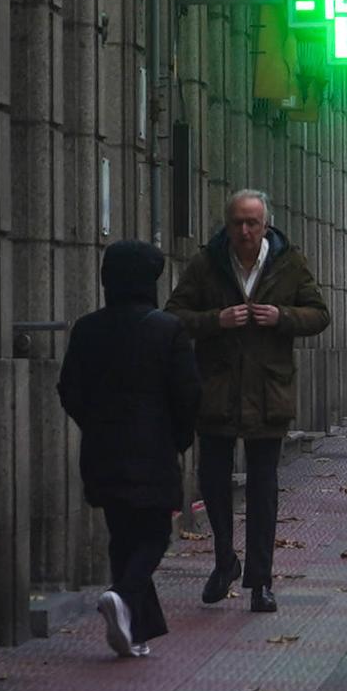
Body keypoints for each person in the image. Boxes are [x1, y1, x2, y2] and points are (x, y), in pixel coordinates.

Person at [166, 190, 330, 613]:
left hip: (268, 391)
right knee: (214, 483)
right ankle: (224, 560)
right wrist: (214, 321)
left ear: (265, 225)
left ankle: (261, 580)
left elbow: (319, 313)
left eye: (252, 223)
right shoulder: (207, 263)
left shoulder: (289, 262)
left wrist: (283, 317)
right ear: (227, 224)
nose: (243, 231)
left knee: (263, 489)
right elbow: (174, 316)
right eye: (237, 222)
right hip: (217, 389)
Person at [58, 240, 202, 658]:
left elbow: (70, 388)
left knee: (123, 534)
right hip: (153, 449)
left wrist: (96, 424)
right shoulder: (167, 329)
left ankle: (136, 632)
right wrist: (179, 435)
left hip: (102, 449)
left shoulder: (87, 328)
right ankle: (121, 596)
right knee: (155, 531)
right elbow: (187, 392)